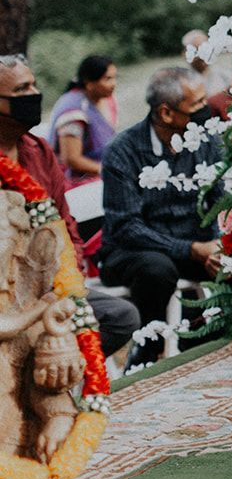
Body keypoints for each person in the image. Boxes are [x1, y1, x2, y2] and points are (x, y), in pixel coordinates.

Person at [0, 55, 137, 358]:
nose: (34, 95)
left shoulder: (37, 150)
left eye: (33, 86)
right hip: (6, 295)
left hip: (50, 285)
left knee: (120, 317)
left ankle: (55, 374)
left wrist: (66, 277)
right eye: (22, 90)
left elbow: (65, 223)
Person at [99, 67, 222, 365]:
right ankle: (147, 349)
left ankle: (203, 344)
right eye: (196, 106)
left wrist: (222, 244)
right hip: (134, 252)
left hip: (195, 247)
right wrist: (192, 249)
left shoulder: (205, 141)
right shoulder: (123, 151)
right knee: (157, 268)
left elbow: (221, 198)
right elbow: (127, 227)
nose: (205, 111)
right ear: (166, 113)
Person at [47, 54, 118, 188]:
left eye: (114, 78)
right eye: (107, 79)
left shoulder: (105, 99)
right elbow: (71, 159)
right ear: (89, 83)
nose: (114, 84)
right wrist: (107, 170)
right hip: (77, 180)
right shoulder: (73, 112)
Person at [183, 29, 232, 116]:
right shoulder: (183, 80)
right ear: (185, 53)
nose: (203, 55)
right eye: (198, 50)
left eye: (206, 49)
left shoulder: (224, 75)